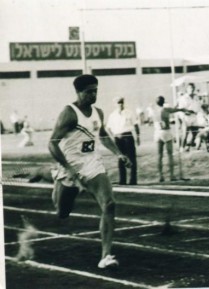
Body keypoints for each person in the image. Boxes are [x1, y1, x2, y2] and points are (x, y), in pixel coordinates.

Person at [48, 74, 132, 268]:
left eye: (95, 91)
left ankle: (106, 256)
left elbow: (102, 135)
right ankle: (54, 178)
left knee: (109, 204)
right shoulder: (69, 113)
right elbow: (52, 144)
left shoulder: (98, 112)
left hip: (92, 164)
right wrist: (68, 168)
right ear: (78, 92)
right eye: (89, 92)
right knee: (62, 212)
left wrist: (118, 154)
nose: (93, 95)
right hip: (70, 165)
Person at [153, 96, 191, 182]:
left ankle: (161, 176)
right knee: (170, 154)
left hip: (157, 132)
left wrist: (179, 108)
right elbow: (175, 109)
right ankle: (171, 175)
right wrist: (181, 108)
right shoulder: (165, 110)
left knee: (159, 155)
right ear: (163, 102)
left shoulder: (154, 111)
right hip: (165, 131)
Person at [106, 97, 140, 185]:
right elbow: (108, 128)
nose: (120, 104)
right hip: (118, 137)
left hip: (128, 136)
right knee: (121, 158)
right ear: (115, 104)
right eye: (118, 103)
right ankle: (122, 180)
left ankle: (133, 180)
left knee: (132, 158)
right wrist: (113, 135)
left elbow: (135, 125)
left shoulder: (129, 112)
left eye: (121, 102)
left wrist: (138, 136)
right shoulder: (112, 115)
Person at [177, 83, 201, 151]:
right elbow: (181, 109)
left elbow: (198, 106)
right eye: (190, 88)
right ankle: (182, 147)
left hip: (194, 117)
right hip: (186, 117)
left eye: (193, 88)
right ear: (187, 89)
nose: (191, 89)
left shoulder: (196, 97)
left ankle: (188, 145)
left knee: (195, 134)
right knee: (185, 134)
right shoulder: (183, 98)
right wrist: (184, 115)